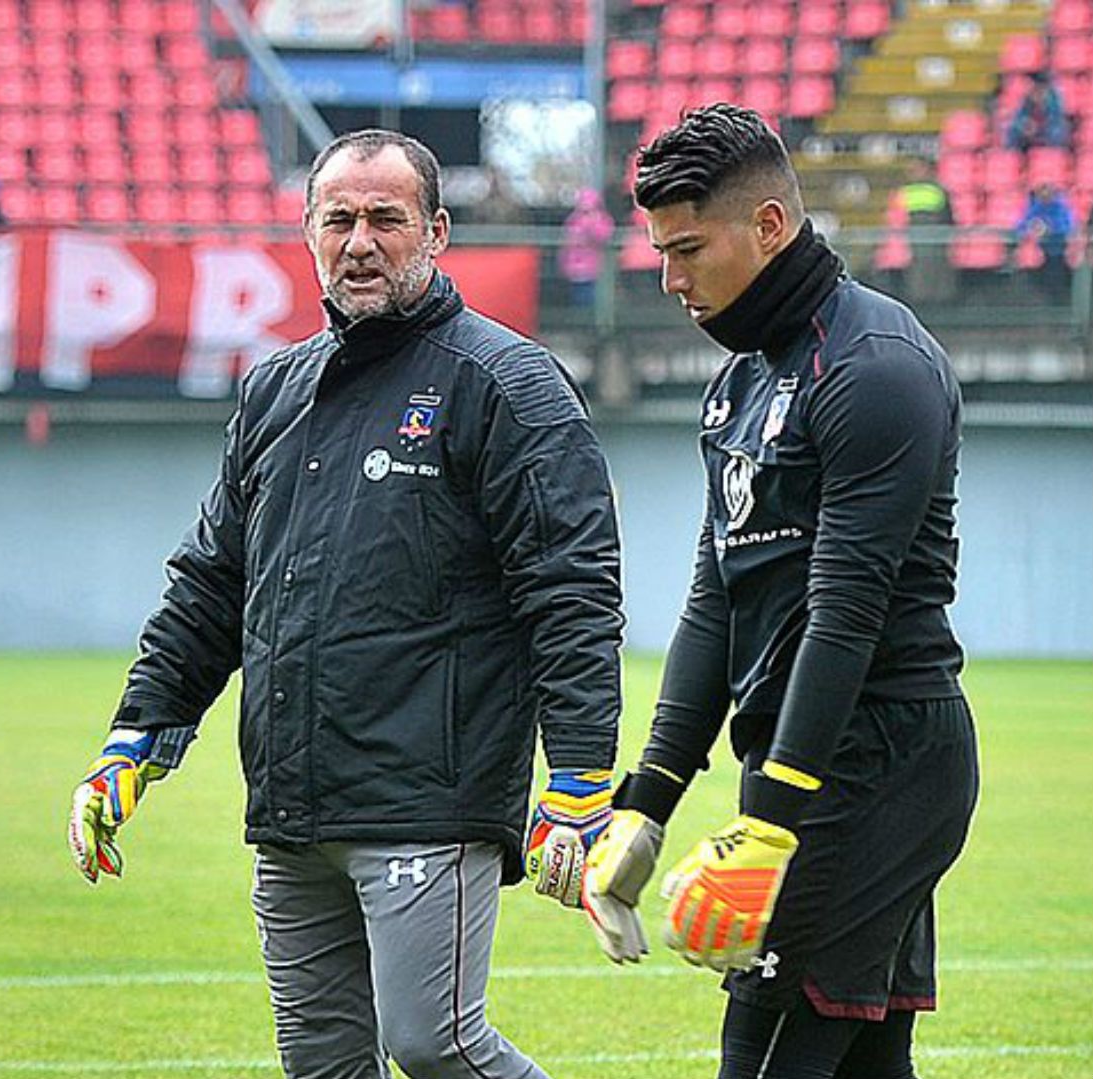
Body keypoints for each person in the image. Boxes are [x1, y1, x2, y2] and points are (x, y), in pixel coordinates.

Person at [66, 129, 625, 1079]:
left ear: (436, 231)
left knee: (433, 1042)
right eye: (339, 219)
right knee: (322, 1064)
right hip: (293, 806)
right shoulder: (273, 391)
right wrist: (137, 734)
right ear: (307, 232)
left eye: (385, 218)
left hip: (427, 800)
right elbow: (211, 582)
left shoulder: (506, 383)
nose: (359, 241)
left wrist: (577, 780)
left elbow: (569, 591)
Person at [583, 104, 976, 1079]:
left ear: (766, 226)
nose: (669, 279)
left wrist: (769, 818)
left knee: (759, 1061)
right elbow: (716, 597)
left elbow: (845, 611)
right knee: (866, 1064)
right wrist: (649, 798)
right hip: (818, 764)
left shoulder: (875, 367)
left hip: (878, 763)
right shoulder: (740, 384)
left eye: (687, 249)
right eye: (659, 253)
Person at [888, 157, 955, 304]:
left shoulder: (937, 190)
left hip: (935, 244)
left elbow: (948, 218)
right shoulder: (905, 192)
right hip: (914, 244)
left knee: (936, 276)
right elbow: (897, 218)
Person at [1011, 180, 1074, 303]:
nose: (1045, 195)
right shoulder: (1035, 208)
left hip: (1058, 254)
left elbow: (1067, 226)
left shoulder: (1061, 207)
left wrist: (1049, 227)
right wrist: (1032, 227)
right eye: (1041, 192)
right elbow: (1021, 226)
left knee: (1056, 279)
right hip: (1039, 253)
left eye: (1048, 191)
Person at [559, 186, 615, 308]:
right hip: (575, 270)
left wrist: (591, 225)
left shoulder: (601, 219)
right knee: (579, 300)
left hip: (594, 270)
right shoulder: (573, 220)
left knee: (593, 301)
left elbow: (603, 236)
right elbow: (567, 243)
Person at [1004, 71, 1068, 150]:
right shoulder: (1025, 104)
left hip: (1048, 147)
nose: (1037, 93)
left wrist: (1040, 131)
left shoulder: (1055, 107)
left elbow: (1058, 131)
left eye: (1041, 90)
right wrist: (1023, 127)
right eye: (1035, 89)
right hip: (1026, 147)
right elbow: (1015, 127)